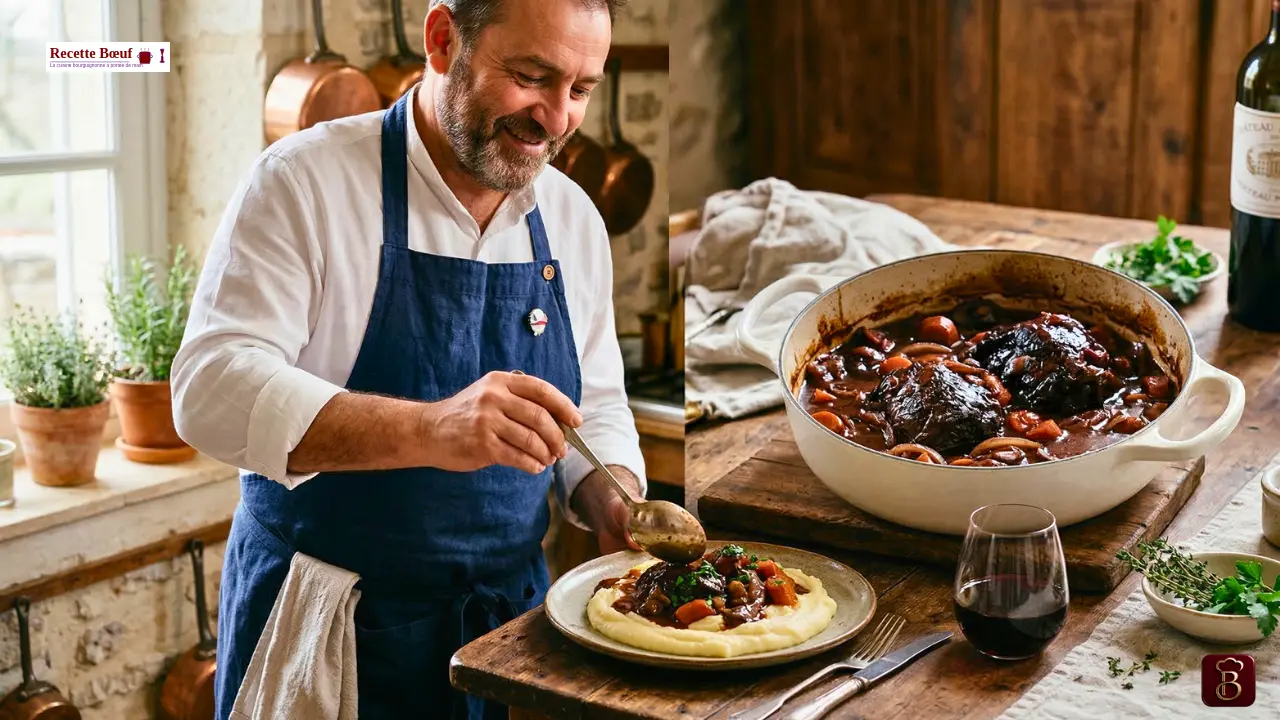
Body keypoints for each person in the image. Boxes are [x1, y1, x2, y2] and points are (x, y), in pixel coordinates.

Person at [169, 0, 644, 717]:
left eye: (580, 89)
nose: (556, 118)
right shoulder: (304, 180)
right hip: (327, 629)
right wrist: (431, 428)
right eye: (530, 77)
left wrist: (613, 495)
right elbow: (209, 390)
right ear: (443, 39)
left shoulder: (573, 217)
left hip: (508, 634)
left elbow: (595, 406)